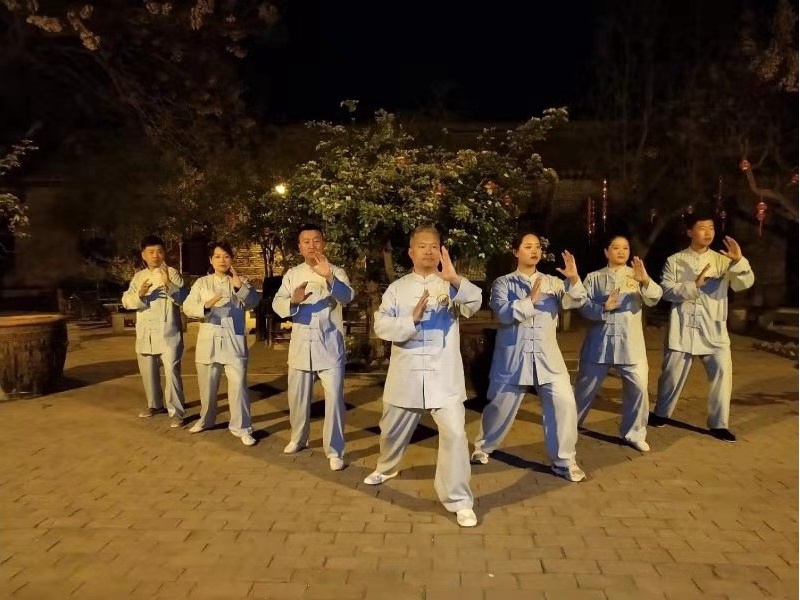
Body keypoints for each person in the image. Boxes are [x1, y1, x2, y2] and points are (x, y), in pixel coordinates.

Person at [363, 225, 481, 528]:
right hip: (407, 376)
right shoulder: (397, 289)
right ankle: (387, 466)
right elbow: (381, 326)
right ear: (411, 252)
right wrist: (410, 320)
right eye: (422, 246)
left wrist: (455, 280)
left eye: (434, 247)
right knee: (390, 431)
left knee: (456, 435)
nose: (428, 251)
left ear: (441, 252)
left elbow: (474, 303)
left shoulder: (450, 285)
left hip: (444, 377)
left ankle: (459, 500)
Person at [471, 232, 589, 482]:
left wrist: (573, 279)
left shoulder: (553, 283)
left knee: (565, 404)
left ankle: (564, 461)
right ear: (516, 251)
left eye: (537, 247)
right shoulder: (503, 283)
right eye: (528, 246)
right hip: (513, 358)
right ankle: (483, 446)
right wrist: (529, 301)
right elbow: (503, 314)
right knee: (499, 407)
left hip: (548, 359)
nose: (534, 251)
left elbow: (575, 302)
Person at [651, 209, 755, 441]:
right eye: (702, 228)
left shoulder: (722, 260)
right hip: (683, 327)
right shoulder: (675, 260)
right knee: (671, 374)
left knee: (722, 376)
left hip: (713, 328)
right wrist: (694, 285)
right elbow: (666, 291)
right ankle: (661, 413)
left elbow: (744, 284)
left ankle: (719, 424)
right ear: (690, 232)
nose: (708, 233)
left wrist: (739, 261)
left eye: (711, 228)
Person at [272, 224, 354, 471]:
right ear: (299, 247)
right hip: (300, 346)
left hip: (329, 345)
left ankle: (335, 450)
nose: (311, 245)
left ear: (323, 243)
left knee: (334, 400)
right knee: (297, 397)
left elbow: (347, 297)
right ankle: (298, 438)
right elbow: (277, 302)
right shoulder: (292, 274)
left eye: (316, 240)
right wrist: (293, 301)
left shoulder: (336, 271)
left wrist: (329, 278)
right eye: (306, 241)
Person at [574, 235, 663, 452]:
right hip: (599, 344)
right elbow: (582, 306)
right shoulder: (594, 277)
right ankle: (569, 426)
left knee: (639, 389)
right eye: (616, 248)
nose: (621, 252)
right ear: (606, 252)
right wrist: (603, 308)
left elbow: (655, 297)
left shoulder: (636, 275)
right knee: (584, 388)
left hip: (630, 345)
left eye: (625, 248)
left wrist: (645, 281)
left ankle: (634, 433)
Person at [183, 241, 261, 447]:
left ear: (231, 259)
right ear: (210, 260)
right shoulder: (202, 283)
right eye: (217, 256)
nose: (222, 260)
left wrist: (239, 287)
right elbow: (188, 306)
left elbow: (253, 301)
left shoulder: (241, 281)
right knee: (207, 387)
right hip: (209, 341)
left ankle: (242, 427)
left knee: (238, 388)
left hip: (234, 341)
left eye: (226, 256)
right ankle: (206, 420)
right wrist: (206, 306)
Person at [121, 235, 187, 427]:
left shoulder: (172, 273)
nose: (155, 255)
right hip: (146, 332)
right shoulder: (138, 277)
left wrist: (168, 284)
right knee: (148, 371)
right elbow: (126, 301)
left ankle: (176, 411)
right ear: (143, 255)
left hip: (168, 331)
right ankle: (155, 405)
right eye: (151, 252)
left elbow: (183, 298)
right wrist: (140, 295)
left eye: (159, 251)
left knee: (172, 371)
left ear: (164, 253)